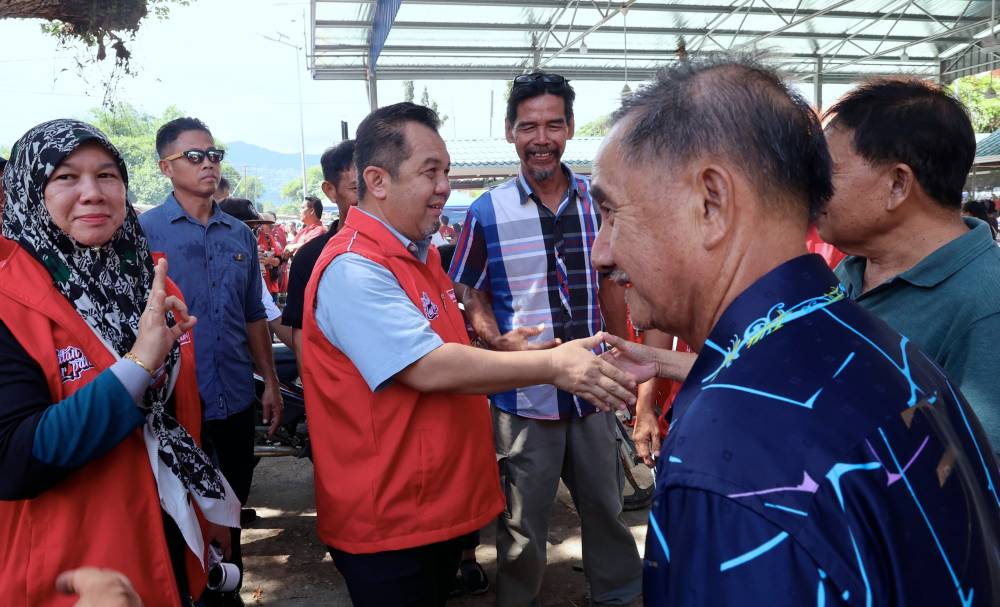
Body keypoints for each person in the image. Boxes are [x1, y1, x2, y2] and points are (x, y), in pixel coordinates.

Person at [589, 56, 1000, 606]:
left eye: (612, 212)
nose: (600, 251)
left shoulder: (730, 452)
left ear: (712, 202)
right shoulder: (879, 342)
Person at [300, 102, 641, 607]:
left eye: (446, 171)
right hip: (389, 518)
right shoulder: (356, 268)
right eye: (430, 173)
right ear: (377, 180)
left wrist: (495, 346)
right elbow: (427, 367)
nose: (445, 187)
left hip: (428, 509)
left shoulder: (417, 256)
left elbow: (441, 348)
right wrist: (552, 365)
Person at [0, 119, 239, 606]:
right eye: (66, 177)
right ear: (29, 191)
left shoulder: (151, 284)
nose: (93, 192)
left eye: (107, 175)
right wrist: (137, 364)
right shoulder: (8, 301)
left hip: (179, 543)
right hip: (80, 573)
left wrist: (207, 513)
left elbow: (180, 421)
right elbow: (14, 460)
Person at [448, 72, 640, 607]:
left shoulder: (596, 202)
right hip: (524, 396)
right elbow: (471, 291)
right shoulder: (487, 211)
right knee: (522, 523)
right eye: (529, 125)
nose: (542, 137)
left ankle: (619, 596)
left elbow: (612, 283)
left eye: (554, 124)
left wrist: (622, 357)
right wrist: (496, 341)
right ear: (511, 132)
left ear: (571, 129)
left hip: (595, 387)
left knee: (606, 507)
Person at [140, 116, 282, 607]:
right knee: (179, 510)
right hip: (175, 403)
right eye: (194, 156)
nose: (208, 164)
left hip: (236, 396)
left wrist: (270, 382)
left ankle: (229, 587)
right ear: (166, 166)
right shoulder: (141, 234)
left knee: (232, 502)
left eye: (214, 154)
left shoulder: (239, 235)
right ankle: (190, 591)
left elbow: (252, 316)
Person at [816, 78, 1000, 454]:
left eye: (828, 172)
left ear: (898, 184)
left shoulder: (987, 306)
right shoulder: (847, 275)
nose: (811, 187)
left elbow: (978, 475)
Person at [282, 139, 357, 360]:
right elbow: (302, 337)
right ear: (330, 190)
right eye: (356, 188)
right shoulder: (309, 257)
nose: (370, 197)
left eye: (378, 184)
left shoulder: (407, 249)